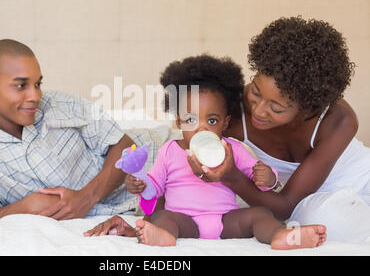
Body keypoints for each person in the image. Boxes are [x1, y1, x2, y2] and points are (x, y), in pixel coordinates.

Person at [86, 16, 370, 243]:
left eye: (277, 108)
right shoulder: (228, 111)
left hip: (357, 184)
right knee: (325, 220)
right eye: (256, 92)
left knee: (324, 219)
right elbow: (173, 163)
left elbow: (282, 205)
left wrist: (232, 176)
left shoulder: (338, 120)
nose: (258, 110)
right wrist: (140, 225)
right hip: (302, 202)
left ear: (308, 107)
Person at [85, 54, 327, 249]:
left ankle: (280, 236)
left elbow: (259, 180)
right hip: (184, 220)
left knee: (260, 214)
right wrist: (139, 184)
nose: (201, 127)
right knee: (163, 218)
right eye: (191, 119)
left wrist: (269, 177)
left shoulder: (231, 148)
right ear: (179, 122)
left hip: (225, 220)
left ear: (224, 122)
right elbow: (155, 186)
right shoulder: (170, 150)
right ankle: (164, 237)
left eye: (211, 121)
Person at [0, 39, 162, 221]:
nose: (35, 96)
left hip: (158, 156)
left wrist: (87, 197)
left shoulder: (60, 104)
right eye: (21, 86)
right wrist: (26, 206)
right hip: (145, 206)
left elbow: (124, 143)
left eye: (37, 84)